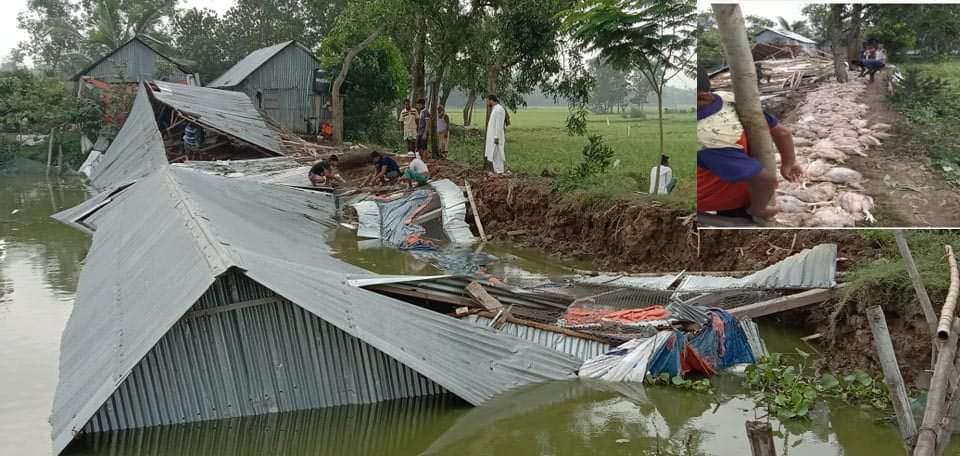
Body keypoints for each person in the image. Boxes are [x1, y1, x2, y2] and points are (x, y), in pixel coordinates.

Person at [697, 65, 802, 220]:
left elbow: (765, 180)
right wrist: (789, 162)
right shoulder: (730, 100)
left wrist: (758, 209)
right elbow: (782, 132)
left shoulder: (708, 140)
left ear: (701, 97)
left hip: (724, 197)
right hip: (737, 180)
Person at [484, 94, 507, 175]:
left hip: (496, 137)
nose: (487, 103)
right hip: (493, 136)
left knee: (497, 155)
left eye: (487, 101)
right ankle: (497, 171)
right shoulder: (495, 109)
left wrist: (497, 137)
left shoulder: (499, 110)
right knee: (493, 154)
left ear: (491, 100)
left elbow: (499, 124)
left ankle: (500, 171)